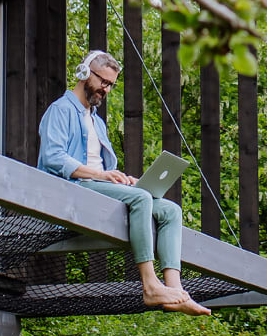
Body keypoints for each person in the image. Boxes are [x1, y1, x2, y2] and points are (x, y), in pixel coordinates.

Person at [37, 51, 211, 316]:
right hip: (72, 191)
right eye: (103, 81)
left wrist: (121, 179)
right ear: (85, 73)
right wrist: (102, 176)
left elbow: (102, 170)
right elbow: (53, 157)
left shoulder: (97, 122)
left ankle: (176, 291)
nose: (106, 90)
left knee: (170, 211)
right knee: (141, 198)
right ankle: (150, 285)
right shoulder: (60, 110)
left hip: (97, 188)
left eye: (111, 85)